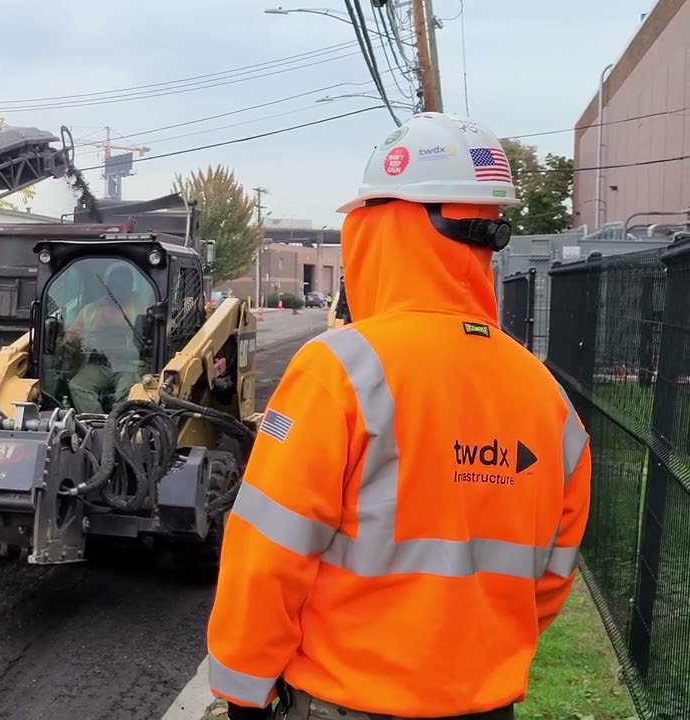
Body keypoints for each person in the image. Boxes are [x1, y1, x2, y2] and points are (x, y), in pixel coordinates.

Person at [205, 113, 592, 720]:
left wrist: (242, 687)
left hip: (345, 699)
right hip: (484, 705)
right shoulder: (547, 398)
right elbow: (549, 578)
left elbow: (268, 552)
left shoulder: (337, 371)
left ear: (376, 228)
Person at [62, 263, 149, 413]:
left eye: (123, 284)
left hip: (128, 364)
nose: (118, 288)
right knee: (78, 385)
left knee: (128, 388)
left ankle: (120, 422)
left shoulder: (140, 306)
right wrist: (68, 341)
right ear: (107, 285)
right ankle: (97, 423)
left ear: (130, 286)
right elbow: (72, 335)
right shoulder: (90, 311)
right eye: (114, 285)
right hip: (96, 364)